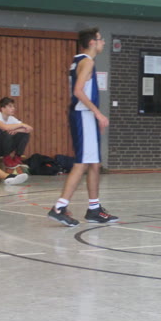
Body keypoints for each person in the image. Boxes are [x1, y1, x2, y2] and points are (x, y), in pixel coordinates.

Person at [48, 27, 118, 226]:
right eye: (100, 39)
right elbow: (78, 91)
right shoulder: (87, 62)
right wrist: (97, 113)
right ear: (92, 42)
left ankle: (94, 209)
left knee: (94, 163)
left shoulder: (78, 60)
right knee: (82, 163)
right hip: (83, 115)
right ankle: (59, 207)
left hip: (84, 115)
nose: (103, 42)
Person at [0, 97, 33, 168]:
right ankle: (7, 158)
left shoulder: (12, 119)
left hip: (3, 147)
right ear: (3, 108)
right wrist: (21, 125)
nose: (13, 108)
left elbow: (29, 129)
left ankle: (17, 157)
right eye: (10, 106)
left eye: (13, 106)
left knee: (25, 134)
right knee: (7, 133)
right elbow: (4, 127)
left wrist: (16, 130)